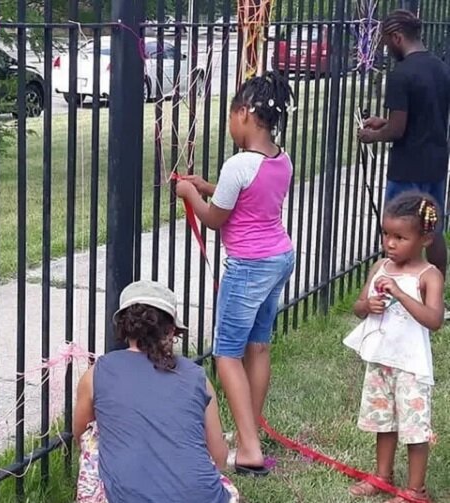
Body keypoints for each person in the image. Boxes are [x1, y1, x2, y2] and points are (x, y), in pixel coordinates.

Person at [174, 71, 296, 476]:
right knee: (258, 346)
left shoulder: (238, 164)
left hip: (248, 267)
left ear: (244, 113)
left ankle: (247, 449)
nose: (229, 125)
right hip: (279, 258)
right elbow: (249, 200)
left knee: (227, 353)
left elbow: (216, 219)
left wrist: (191, 193)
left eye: (230, 116)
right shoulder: (281, 158)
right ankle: (250, 433)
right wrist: (208, 184)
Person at [73, 280, 238, 503]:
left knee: (94, 436)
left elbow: (80, 434)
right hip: (203, 497)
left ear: (124, 328)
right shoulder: (197, 377)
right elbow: (219, 459)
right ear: (171, 331)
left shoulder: (95, 374)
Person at [343, 192, 443, 503]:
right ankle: (382, 477)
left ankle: (416, 491)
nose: (390, 243)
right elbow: (359, 306)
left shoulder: (429, 276)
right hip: (381, 360)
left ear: (424, 239)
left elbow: (434, 320)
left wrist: (400, 294)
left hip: (411, 367)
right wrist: (367, 305)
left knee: (414, 429)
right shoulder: (381, 267)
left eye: (400, 237)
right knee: (382, 422)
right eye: (386, 234)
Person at [358, 10, 450, 292]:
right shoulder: (440, 67)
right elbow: (425, 116)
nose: (387, 49)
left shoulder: (401, 75)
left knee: (398, 229)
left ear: (397, 37)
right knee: (432, 228)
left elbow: (398, 130)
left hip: (407, 168)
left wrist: (371, 135)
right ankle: (436, 292)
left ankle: (396, 289)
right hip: (435, 162)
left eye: (387, 42)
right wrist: (384, 121)